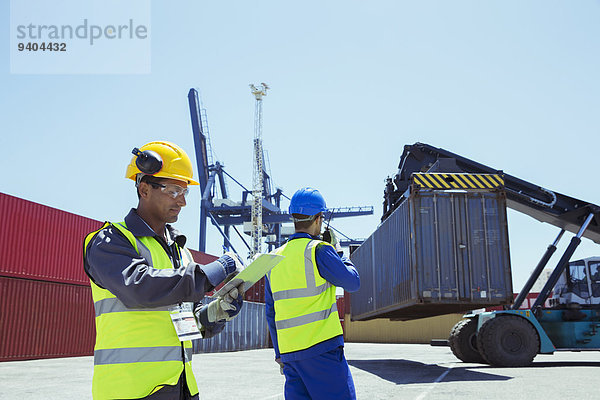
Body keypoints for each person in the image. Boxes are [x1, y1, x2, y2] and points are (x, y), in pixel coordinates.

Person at [84, 141, 244, 400]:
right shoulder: (109, 241)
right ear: (144, 189)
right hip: (130, 391)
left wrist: (216, 313)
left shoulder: (181, 252)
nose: (182, 201)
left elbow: (184, 322)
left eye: (185, 192)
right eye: (173, 190)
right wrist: (214, 270)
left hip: (181, 388)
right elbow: (141, 288)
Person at [265, 187, 361, 399]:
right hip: (322, 351)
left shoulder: (272, 259)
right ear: (318, 219)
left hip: (290, 355)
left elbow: (271, 313)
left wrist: (280, 354)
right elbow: (352, 282)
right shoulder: (319, 250)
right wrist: (338, 252)